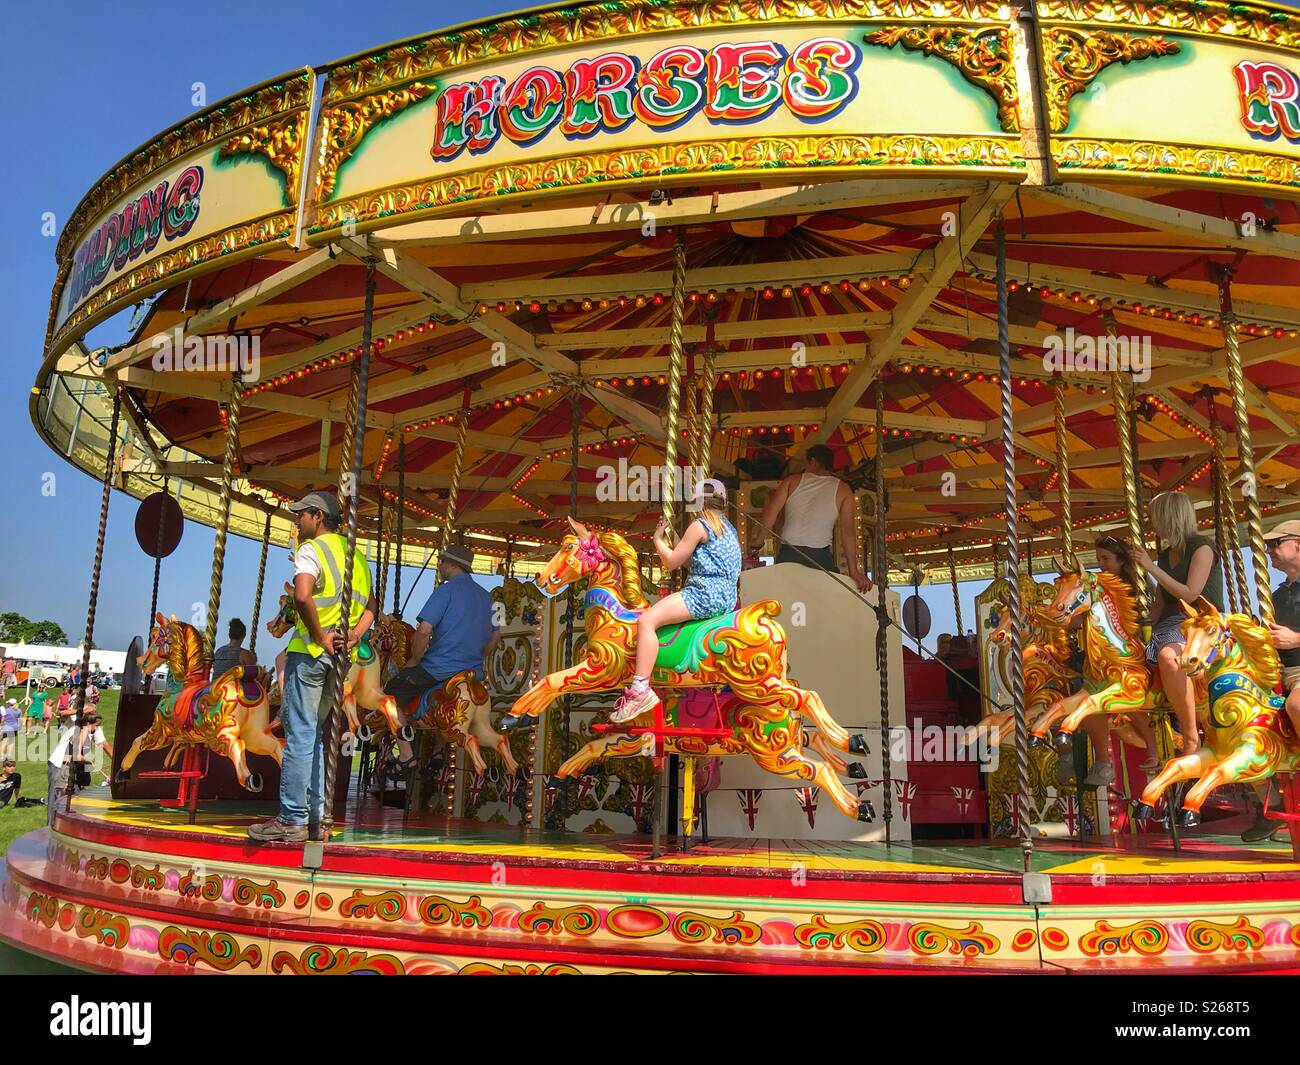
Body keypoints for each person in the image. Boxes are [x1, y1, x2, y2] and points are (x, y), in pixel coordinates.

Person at [249, 490, 376, 843]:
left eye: (301, 514)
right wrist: (353, 636)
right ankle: (318, 818)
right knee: (317, 737)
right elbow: (371, 610)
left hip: (310, 652)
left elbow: (302, 595)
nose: (296, 520)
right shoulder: (358, 558)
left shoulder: (311, 550)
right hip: (340, 659)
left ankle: (292, 818)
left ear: (317, 517)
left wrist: (320, 635)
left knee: (299, 735)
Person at [611, 479, 741, 723]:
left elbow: (672, 563)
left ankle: (639, 690)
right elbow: (692, 562)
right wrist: (677, 541)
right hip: (726, 597)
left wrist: (658, 542)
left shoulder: (699, 525)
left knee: (647, 621)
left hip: (704, 593)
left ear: (698, 502)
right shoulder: (728, 528)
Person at [1130, 491, 1223, 759]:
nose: (1152, 522)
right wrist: (1139, 633)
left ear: (1169, 517)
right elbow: (1160, 601)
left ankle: (1190, 734)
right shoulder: (1165, 554)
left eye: (1155, 517)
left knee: (1169, 657)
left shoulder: (1202, 548)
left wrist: (1150, 567)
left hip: (1200, 621)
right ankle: (1152, 739)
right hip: (1169, 622)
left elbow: (1191, 593)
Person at [1065, 535, 1161, 787]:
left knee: (1121, 688)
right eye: (1098, 559)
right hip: (1103, 652)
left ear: (1122, 560)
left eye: (1106, 558)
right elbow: (1080, 617)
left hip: (1131, 647)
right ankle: (1091, 757)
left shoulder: (1133, 585)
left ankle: (1150, 747)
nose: (1101, 564)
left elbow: (1142, 617)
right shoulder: (1098, 585)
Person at [384, 544, 500, 711]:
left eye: (442, 561)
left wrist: (415, 660)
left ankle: (403, 736)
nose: (440, 565)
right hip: (473, 673)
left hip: (439, 669)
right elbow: (496, 637)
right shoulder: (490, 598)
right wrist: (476, 656)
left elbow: (424, 631)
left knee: (391, 694)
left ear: (453, 565)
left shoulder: (445, 591)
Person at [1240, 520, 1300, 842]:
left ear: (1298, 545)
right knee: (1241, 728)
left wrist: (1296, 639)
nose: (1269, 551)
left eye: (1277, 544)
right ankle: (1270, 804)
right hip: (1281, 673)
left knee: (1297, 703)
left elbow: (1289, 639)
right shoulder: (1277, 595)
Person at [759, 444, 872, 593]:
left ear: (813, 462)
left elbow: (770, 512)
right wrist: (854, 571)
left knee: (783, 595)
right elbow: (848, 533)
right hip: (819, 555)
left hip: (789, 551)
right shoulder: (844, 489)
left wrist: (759, 540)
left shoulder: (791, 481)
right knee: (830, 596)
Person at [47, 699, 112, 824]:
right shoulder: (73, 721)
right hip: (60, 764)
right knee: (56, 801)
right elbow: (62, 713)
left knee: (73, 800)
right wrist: (82, 710)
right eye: (91, 711)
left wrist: (119, 763)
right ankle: (51, 828)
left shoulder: (94, 726)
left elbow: (104, 744)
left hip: (75, 766)